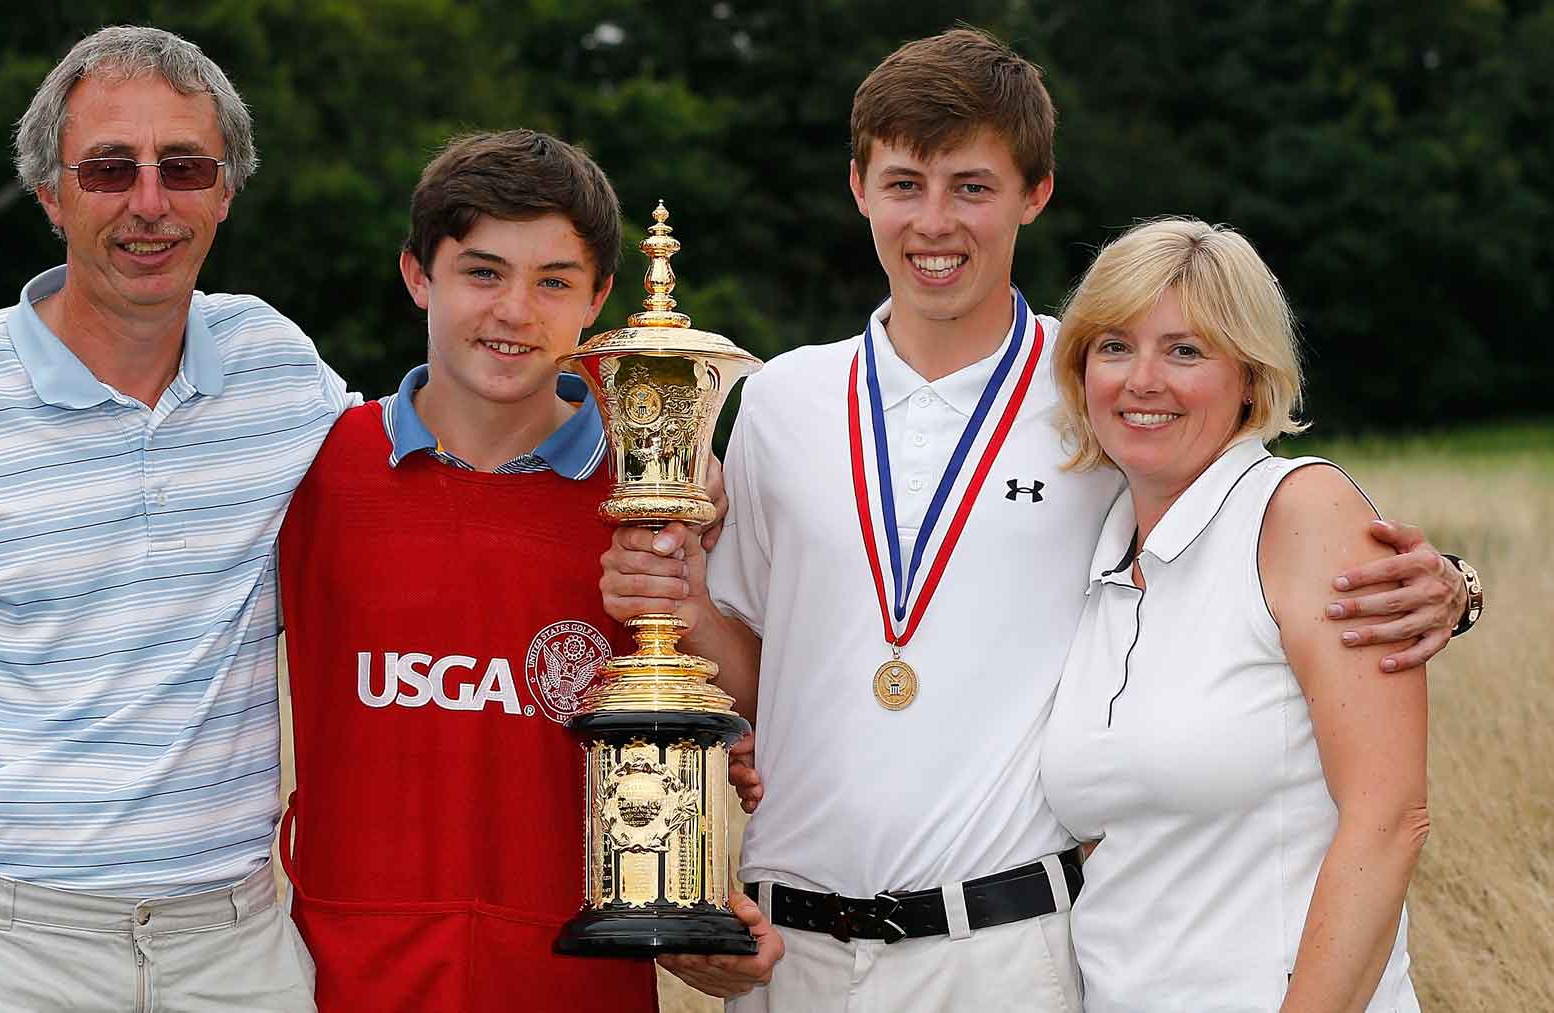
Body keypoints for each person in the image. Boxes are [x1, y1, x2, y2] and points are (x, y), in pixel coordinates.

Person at [600, 28, 1475, 1011]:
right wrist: (680, 602)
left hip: (1009, 951)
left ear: (1036, 192)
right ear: (858, 187)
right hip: (788, 950)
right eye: (904, 184)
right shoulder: (778, 401)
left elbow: (1261, 515)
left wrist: (1449, 582)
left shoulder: (1098, 393)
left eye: (972, 186)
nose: (935, 222)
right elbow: (771, 680)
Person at [0, 128, 780, 1009]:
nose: (514, 310)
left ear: (599, 298)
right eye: (482, 272)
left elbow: (749, 705)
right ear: (417, 275)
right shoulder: (315, 466)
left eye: (553, 281)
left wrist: (689, 608)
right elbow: (143, 600)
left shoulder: (649, 492)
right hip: (347, 973)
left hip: (573, 978)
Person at [0, 26, 350, 1012]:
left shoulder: (277, 366)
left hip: (232, 943)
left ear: (226, 191)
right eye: (108, 169)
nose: (150, 202)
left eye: (185, 166)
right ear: (50, 194)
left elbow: (432, 477)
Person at [1039, 218, 1426, 1011]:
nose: (1143, 380)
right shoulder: (1100, 554)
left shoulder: (1301, 511)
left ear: (1250, 376)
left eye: (1185, 350)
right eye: (1114, 346)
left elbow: (1388, 820)